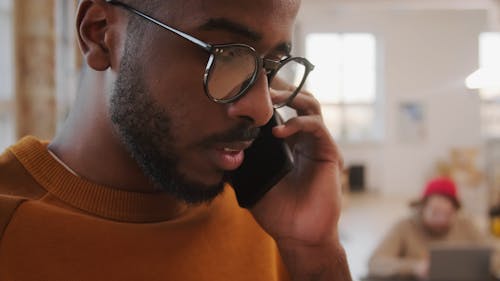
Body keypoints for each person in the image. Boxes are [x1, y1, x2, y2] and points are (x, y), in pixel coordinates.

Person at [0, 0, 352, 280]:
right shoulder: (11, 231)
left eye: (272, 66)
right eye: (226, 55)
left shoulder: (272, 217)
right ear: (100, 33)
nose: (261, 109)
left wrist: (315, 249)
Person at [368, 177, 486, 280]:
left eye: (447, 214)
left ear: (455, 210)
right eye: (435, 212)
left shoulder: (466, 226)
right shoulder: (404, 227)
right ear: (422, 207)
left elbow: (494, 256)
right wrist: (415, 267)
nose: (441, 220)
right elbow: (375, 263)